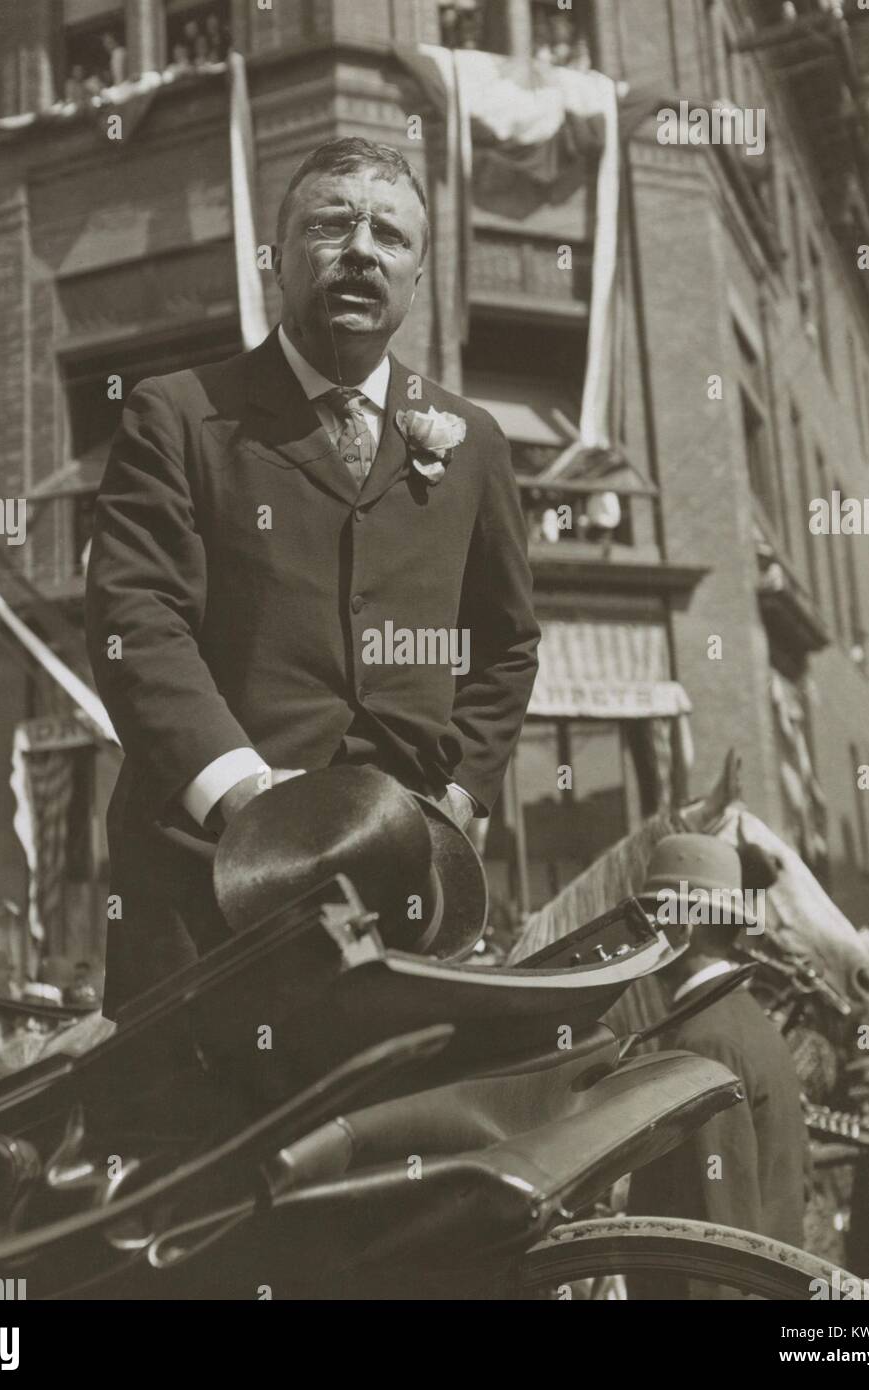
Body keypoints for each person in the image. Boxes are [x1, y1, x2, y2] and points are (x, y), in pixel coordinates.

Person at [86, 137, 540, 1016]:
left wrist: (456, 799)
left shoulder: (470, 439)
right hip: (200, 889)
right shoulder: (177, 416)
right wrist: (248, 801)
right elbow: (137, 621)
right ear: (278, 256)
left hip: (398, 897)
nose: (361, 249)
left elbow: (508, 644)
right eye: (332, 224)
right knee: (189, 1147)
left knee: (395, 1140)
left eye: (391, 237)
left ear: (415, 279)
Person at [627, 834, 808, 1298]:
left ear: (685, 929)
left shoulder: (706, 1040)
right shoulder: (745, 1022)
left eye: (656, 916)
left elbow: (717, 1236)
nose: (646, 933)